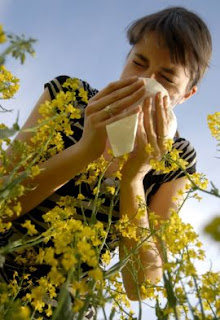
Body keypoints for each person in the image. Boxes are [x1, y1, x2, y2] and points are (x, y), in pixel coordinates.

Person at [0, 5, 212, 317]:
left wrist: (134, 179)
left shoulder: (177, 159)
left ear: (186, 95)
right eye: (138, 62)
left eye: (166, 79)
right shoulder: (68, 98)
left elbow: (143, 285)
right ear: (127, 57)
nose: (144, 81)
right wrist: (86, 150)